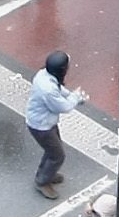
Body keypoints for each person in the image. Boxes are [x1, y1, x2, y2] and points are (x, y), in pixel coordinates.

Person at [23, 51, 79, 197]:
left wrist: (68, 94)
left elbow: (58, 89)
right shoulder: (48, 91)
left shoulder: (44, 75)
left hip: (45, 123)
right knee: (57, 155)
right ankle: (42, 181)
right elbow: (63, 107)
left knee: (52, 150)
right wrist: (75, 98)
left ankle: (47, 173)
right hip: (41, 126)